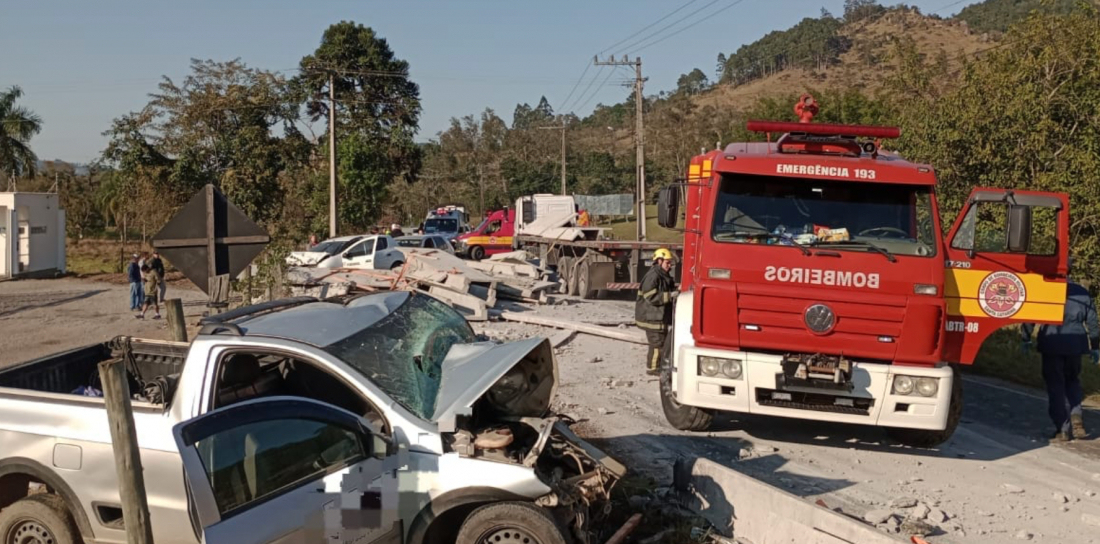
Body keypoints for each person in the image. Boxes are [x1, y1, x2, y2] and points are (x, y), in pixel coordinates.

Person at [1022, 270, 1099, 442]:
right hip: (1075, 344)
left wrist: (1026, 338)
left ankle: (1062, 429)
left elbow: (1030, 316)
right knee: (1072, 380)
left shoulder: (1044, 290)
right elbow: (1092, 320)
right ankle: (1076, 415)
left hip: (1052, 342)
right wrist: (1095, 346)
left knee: (1055, 385)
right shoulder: (1082, 292)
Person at [636, 248, 677, 376]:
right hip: (651, 318)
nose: (670, 266)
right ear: (659, 261)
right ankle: (653, 368)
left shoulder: (663, 275)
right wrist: (670, 295)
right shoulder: (653, 276)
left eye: (670, 263)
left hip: (658, 317)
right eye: (667, 263)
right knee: (656, 344)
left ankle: (659, 366)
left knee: (662, 342)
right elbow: (651, 297)